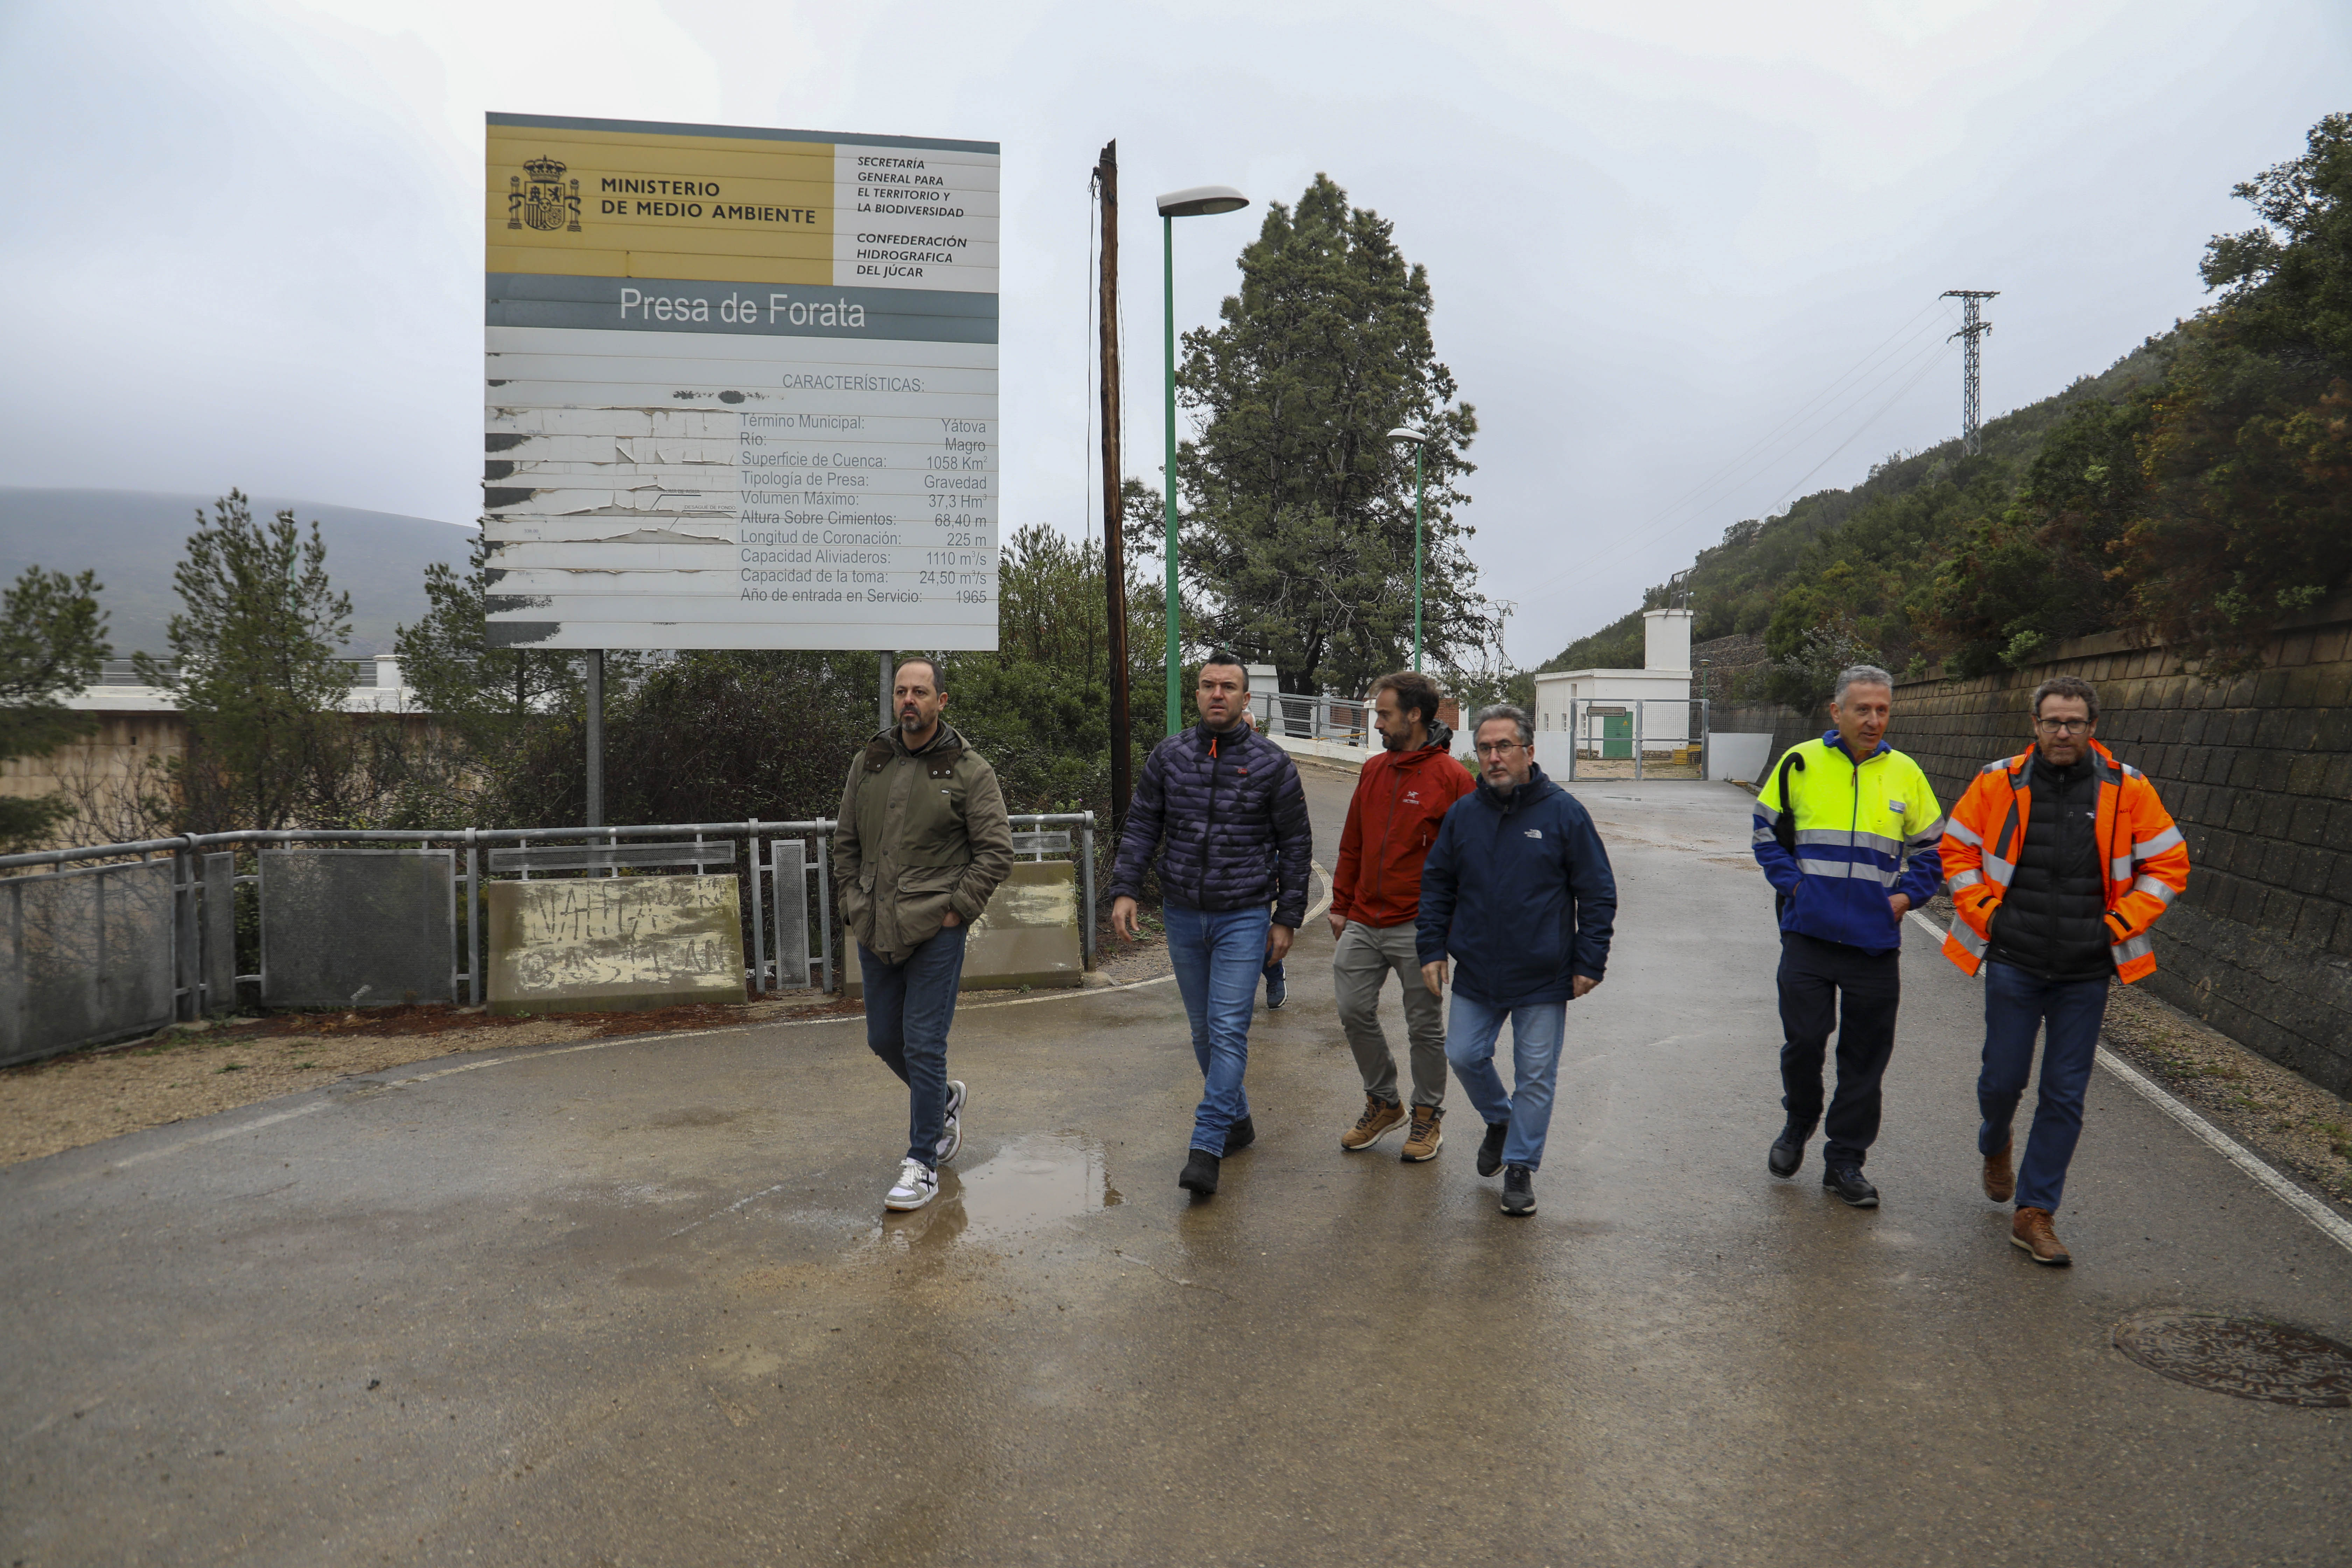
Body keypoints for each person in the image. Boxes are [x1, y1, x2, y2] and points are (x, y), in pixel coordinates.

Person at [1937, 676, 2189, 1265]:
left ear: (2092, 727)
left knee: (2065, 1093)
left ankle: (2035, 1211)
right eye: (2052, 720)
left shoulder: (2128, 788)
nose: (2062, 731)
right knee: (2002, 1081)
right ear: (2035, 724)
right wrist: (1988, 916)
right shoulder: (1998, 781)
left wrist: (2116, 927)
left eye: (2074, 721)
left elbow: (2169, 864)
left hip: (2085, 970)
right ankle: (1994, 1141)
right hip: (2013, 960)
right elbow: (1957, 851)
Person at [1110, 652, 1311, 1198]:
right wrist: (1126, 888)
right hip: (1181, 913)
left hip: (1244, 916)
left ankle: (1206, 1146)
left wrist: (1286, 918)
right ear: (1196, 695)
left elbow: (1295, 846)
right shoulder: (1170, 756)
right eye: (1207, 686)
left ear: (1247, 700)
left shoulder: (1272, 763)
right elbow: (1144, 823)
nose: (1216, 694)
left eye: (1228, 687)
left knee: (1227, 1031)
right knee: (1203, 1032)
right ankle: (1238, 1120)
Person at [1751, 665, 1945, 1208]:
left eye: (1883, 709)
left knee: (1864, 1059)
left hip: (1873, 945)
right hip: (1808, 938)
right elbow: (1765, 832)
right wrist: (1796, 888)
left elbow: (1934, 849)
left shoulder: (1906, 772)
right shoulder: (1800, 763)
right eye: (1863, 709)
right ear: (1836, 712)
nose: (1874, 719)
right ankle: (1799, 1121)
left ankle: (1845, 1162)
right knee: (1805, 1042)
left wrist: (1906, 897)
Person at [1417, 704, 1616, 1216]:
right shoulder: (1465, 814)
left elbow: (1596, 891)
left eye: (1504, 746)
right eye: (1485, 748)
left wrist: (1590, 960)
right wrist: (1432, 948)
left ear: (1529, 751)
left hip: (1543, 974)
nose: (1493, 757)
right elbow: (1438, 883)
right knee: (1462, 1054)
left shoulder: (1564, 813)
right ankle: (1500, 1120)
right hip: (1478, 970)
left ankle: (1522, 1168)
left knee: (1535, 1075)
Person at [833, 656, 1014, 1213]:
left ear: (941, 702)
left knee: (923, 1043)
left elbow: (996, 852)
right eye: (901, 692)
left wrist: (957, 911)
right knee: (883, 1039)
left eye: (920, 692)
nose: (909, 700)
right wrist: (852, 900)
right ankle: (942, 1104)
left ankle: (922, 1163)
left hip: (935, 930)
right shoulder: (870, 761)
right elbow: (845, 843)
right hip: (875, 924)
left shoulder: (969, 770)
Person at [1330, 671, 1472, 1160]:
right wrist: (1341, 904)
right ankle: (1385, 1102)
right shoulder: (1373, 771)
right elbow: (1353, 842)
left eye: (1384, 715)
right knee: (1352, 1009)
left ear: (1415, 715)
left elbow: (1468, 864)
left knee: (1425, 1027)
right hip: (1365, 918)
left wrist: (1451, 933)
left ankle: (1428, 1116)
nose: (1377, 725)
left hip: (1420, 927)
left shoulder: (1454, 780)